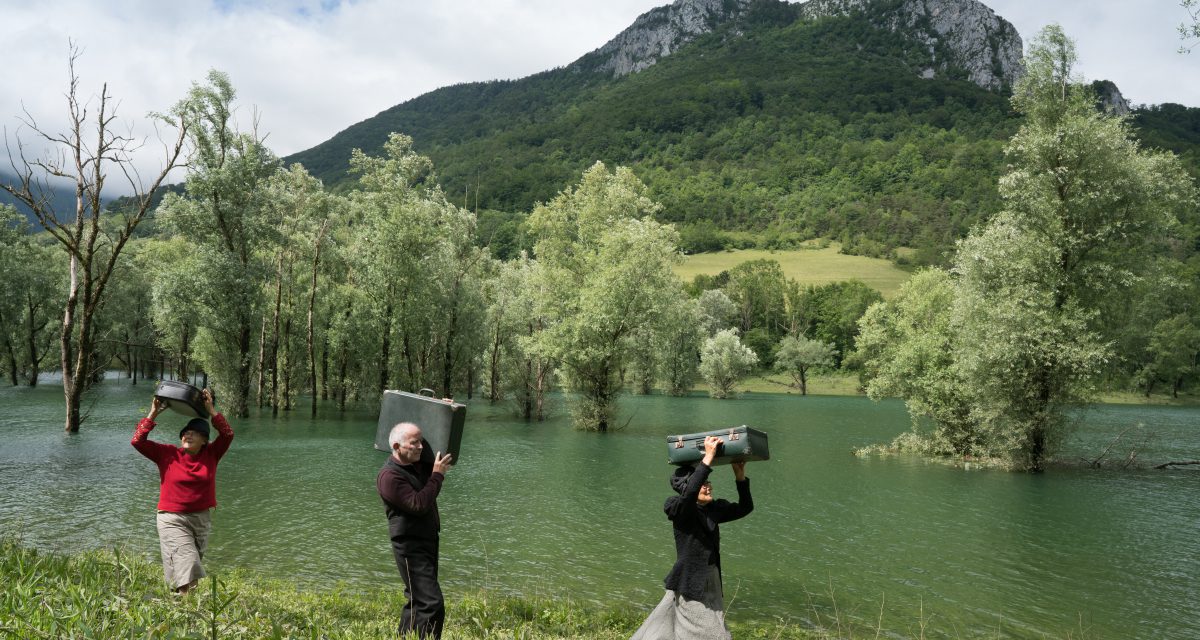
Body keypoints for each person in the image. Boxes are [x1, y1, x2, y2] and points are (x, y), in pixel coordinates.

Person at [631, 435, 754, 640]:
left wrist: (740, 477)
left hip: (711, 582)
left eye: (709, 482)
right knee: (717, 635)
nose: (708, 486)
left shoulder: (712, 509)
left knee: (665, 629)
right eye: (702, 483)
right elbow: (688, 496)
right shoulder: (679, 508)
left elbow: (745, 507)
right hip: (692, 584)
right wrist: (707, 458)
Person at [131, 388, 233, 594]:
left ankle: (178, 605)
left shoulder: (212, 454)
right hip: (171, 519)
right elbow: (137, 441)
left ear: (205, 440)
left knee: (182, 567)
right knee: (187, 561)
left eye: (194, 432)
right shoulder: (167, 454)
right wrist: (153, 413)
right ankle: (190, 609)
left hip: (200, 520)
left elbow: (227, 434)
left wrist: (211, 410)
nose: (188, 434)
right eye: (185, 432)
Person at [377, 421, 454, 639]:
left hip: (427, 540)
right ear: (396, 447)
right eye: (414, 443)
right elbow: (418, 505)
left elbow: (440, 441)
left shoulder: (417, 463)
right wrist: (437, 476)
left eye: (421, 441)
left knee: (417, 599)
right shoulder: (389, 477)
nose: (421, 446)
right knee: (432, 603)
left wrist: (444, 413)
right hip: (410, 546)